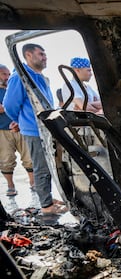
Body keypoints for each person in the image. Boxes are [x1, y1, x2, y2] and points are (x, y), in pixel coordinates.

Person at [3, 43, 68, 215]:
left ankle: (47, 197)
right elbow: (10, 105)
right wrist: (22, 121)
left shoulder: (40, 77)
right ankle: (46, 207)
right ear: (28, 55)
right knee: (41, 168)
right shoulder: (20, 77)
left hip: (46, 129)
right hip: (33, 130)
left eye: (45, 54)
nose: (45, 57)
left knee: (50, 167)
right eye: (41, 54)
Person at [0, 64, 35, 197]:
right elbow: (5, 108)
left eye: (9, 74)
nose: (7, 77)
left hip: (21, 128)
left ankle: (33, 182)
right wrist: (11, 105)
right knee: (6, 159)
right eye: (4, 74)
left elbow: (24, 105)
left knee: (29, 157)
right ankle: (10, 185)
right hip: (2, 130)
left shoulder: (13, 88)